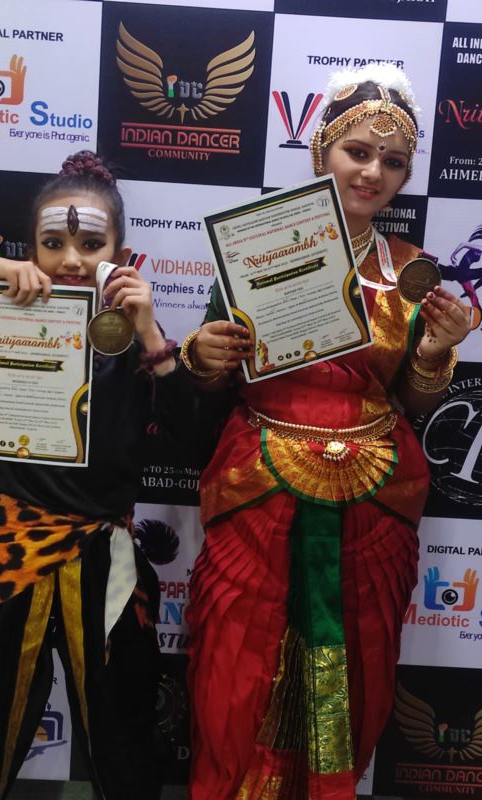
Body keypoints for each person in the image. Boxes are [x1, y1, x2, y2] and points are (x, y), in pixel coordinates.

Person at [182, 65, 472, 800]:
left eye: (393, 161)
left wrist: (434, 355)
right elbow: (218, 377)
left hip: (371, 507)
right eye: (358, 152)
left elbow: (410, 399)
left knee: (356, 675)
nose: (373, 172)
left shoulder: (410, 273)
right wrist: (203, 357)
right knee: (236, 676)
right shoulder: (256, 250)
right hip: (260, 491)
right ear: (323, 153)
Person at [0, 151, 191, 800]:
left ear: (120, 253)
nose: (72, 259)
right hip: (15, 550)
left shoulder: (140, 340)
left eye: (91, 244)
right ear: (31, 250)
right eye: (53, 244)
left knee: (124, 731)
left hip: (106, 560)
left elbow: (192, 439)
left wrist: (151, 334)